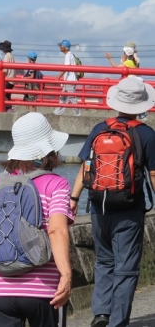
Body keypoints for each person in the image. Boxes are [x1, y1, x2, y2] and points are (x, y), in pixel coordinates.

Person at [69, 76, 155, 327]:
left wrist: (74, 199)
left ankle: (101, 314)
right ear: (142, 105)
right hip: (129, 209)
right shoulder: (146, 134)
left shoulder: (99, 129)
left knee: (105, 261)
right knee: (126, 268)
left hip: (98, 206)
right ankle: (118, 321)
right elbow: (152, 174)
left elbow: (86, 168)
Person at [0, 112, 73, 327]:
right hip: (44, 289)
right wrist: (66, 275)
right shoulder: (56, 184)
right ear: (50, 148)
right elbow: (56, 230)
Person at [54, 40, 81, 117]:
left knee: (71, 98)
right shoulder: (71, 54)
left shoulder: (68, 55)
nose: (60, 47)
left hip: (70, 80)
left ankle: (78, 114)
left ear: (65, 47)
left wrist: (58, 76)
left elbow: (66, 67)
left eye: (61, 46)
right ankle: (58, 113)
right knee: (63, 97)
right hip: (70, 80)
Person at [0, 40, 16, 113]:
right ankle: (8, 109)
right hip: (12, 78)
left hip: (7, 78)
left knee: (2, 93)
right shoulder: (12, 55)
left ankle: (10, 106)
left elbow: (4, 69)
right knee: (8, 95)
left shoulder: (7, 56)